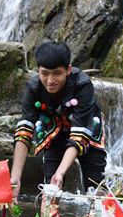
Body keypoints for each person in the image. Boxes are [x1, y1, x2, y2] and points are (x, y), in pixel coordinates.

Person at [10, 41, 106, 203]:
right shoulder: (33, 88)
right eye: (44, 73)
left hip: (86, 131)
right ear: (38, 70)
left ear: (68, 70)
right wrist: (15, 177)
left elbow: (79, 134)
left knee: (96, 187)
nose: (50, 80)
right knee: (50, 188)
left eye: (57, 73)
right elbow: (24, 130)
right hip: (53, 132)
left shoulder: (82, 84)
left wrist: (61, 173)